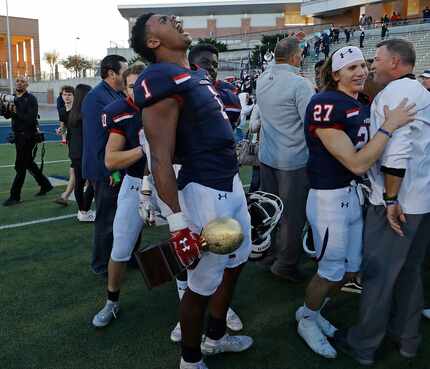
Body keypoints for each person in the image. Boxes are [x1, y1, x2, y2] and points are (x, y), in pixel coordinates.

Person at [130, 13, 253, 369]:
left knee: (237, 261)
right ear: (153, 42)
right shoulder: (158, 76)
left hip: (228, 181)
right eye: (165, 21)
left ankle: (216, 338)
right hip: (202, 189)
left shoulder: (195, 75)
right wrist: (178, 223)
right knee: (201, 283)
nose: (176, 20)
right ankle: (191, 359)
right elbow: (160, 158)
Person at [297, 45, 416, 359]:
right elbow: (357, 163)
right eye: (351, 68)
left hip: (352, 194)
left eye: (363, 65)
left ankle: (315, 311)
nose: (361, 71)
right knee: (330, 270)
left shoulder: (362, 101)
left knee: (350, 268)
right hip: (328, 197)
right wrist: (390, 126)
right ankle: (305, 318)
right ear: (336, 74)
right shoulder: (324, 102)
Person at [332, 39, 430, 366]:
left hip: (397, 203)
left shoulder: (395, 94)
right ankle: (407, 340)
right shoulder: (421, 92)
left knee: (379, 276)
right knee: (409, 273)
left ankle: (364, 345)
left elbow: (396, 154)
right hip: (421, 201)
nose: (371, 65)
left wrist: (390, 198)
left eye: (377, 59)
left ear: (396, 63)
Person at [161, 43, 244, 341]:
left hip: (227, 178)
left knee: (233, 255)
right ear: (192, 64)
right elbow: (157, 150)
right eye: (206, 63)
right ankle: (189, 332)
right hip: (195, 181)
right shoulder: (179, 90)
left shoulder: (228, 97)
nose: (212, 68)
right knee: (197, 265)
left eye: (216, 63)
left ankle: (216, 330)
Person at [92, 63, 147, 327]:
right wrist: (142, 150)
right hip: (136, 182)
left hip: (170, 181)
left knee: (182, 242)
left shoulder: (166, 104)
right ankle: (111, 301)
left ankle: (188, 298)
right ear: (124, 88)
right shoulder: (118, 112)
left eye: (142, 84)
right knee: (121, 246)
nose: (138, 91)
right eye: (132, 86)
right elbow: (111, 160)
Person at [256, 37, 314, 282]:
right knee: (292, 216)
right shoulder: (299, 85)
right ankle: (286, 264)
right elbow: (311, 124)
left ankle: (270, 253)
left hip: (268, 155)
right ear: (295, 57)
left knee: (271, 210)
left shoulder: (262, 79)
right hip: (292, 160)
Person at [81, 54, 128, 275]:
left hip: (118, 166)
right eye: (124, 71)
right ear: (111, 73)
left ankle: (123, 258)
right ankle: (101, 265)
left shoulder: (114, 94)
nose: (126, 76)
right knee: (107, 218)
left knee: (122, 216)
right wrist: (111, 169)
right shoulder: (96, 98)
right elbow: (96, 140)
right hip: (107, 170)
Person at [2, 76, 52, 207]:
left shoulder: (31, 99)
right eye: (17, 81)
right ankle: (45, 185)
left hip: (28, 136)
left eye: (22, 81)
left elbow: (30, 119)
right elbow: (7, 115)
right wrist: (3, 107)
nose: (19, 83)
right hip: (18, 136)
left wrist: (15, 111)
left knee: (20, 166)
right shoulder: (13, 97)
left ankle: (15, 196)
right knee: (28, 163)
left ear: (27, 85)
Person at [68, 84, 95, 222]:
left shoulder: (72, 113)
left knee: (79, 183)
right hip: (85, 153)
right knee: (93, 181)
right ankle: (85, 209)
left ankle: (82, 211)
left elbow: (70, 137)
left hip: (75, 153)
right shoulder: (86, 114)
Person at [54, 85, 76, 206]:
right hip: (72, 141)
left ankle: (65, 196)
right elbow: (63, 127)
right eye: (64, 95)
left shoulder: (79, 110)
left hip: (83, 143)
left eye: (69, 94)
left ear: (74, 96)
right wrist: (60, 131)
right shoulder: (62, 111)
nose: (66, 97)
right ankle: (65, 196)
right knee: (75, 169)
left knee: (75, 169)